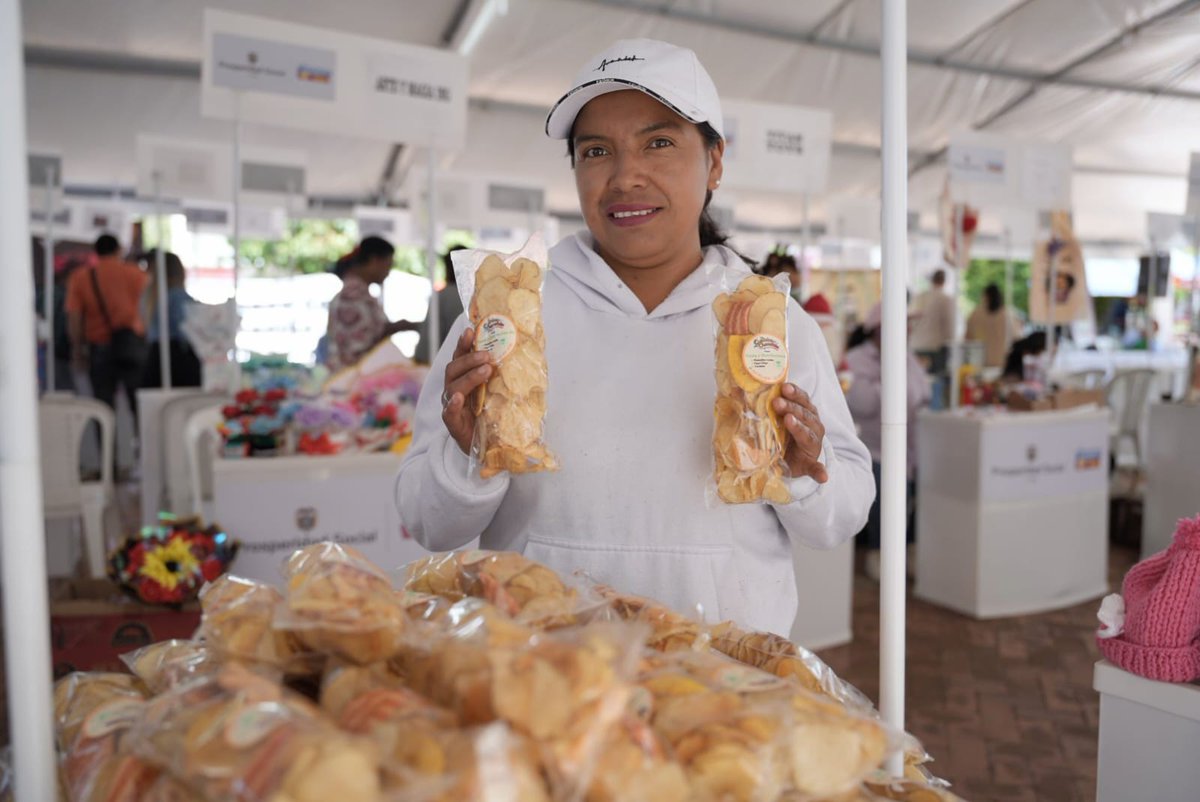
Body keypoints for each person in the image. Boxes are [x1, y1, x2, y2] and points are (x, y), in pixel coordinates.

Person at [396, 39, 874, 636]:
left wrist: (802, 467)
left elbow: (842, 517)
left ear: (715, 162)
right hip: (545, 673)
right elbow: (425, 520)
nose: (626, 176)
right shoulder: (507, 317)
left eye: (659, 143)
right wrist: (469, 456)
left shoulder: (767, 324)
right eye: (597, 151)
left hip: (722, 681)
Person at [843, 303, 930, 580]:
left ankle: (911, 554)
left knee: (915, 503)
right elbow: (861, 403)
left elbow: (922, 393)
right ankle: (880, 557)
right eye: (901, 325)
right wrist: (888, 380)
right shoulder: (857, 360)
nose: (906, 331)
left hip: (911, 449)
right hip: (874, 449)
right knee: (885, 505)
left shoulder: (907, 358)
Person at [65, 233, 148, 414]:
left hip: (99, 347)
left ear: (95, 252)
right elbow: (148, 309)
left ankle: (106, 442)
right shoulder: (136, 274)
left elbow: (75, 317)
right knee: (138, 406)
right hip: (132, 344)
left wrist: (77, 349)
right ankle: (141, 441)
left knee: (103, 407)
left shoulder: (81, 278)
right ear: (118, 250)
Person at [324, 236, 418, 372]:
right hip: (352, 379)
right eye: (388, 265)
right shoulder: (353, 296)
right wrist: (403, 325)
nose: (387, 272)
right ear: (374, 261)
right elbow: (364, 343)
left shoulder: (355, 293)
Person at [140, 250, 202, 388]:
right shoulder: (177, 296)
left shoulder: (149, 296)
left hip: (154, 356)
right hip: (177, 358)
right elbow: (185, 329)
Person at [414, 245, 468, 364]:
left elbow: (426, 345)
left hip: (443, 367)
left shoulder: (442, 296)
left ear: (448, 267)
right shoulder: (477, 297)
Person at [909, 269, 955, 374]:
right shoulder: (945, 299)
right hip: (935, 349)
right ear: (943, 281)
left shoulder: (919, 297)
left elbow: (910, 322)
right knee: (935, 382)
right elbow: (949, 327)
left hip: (915, 347)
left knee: (916, 381)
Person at [965, 283, 1021, 369]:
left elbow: (967, 338)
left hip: (981, 363)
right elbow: (1017, 338)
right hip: (1002, 363)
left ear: (985, 296)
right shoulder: (1008, 315)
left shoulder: (976, 314)